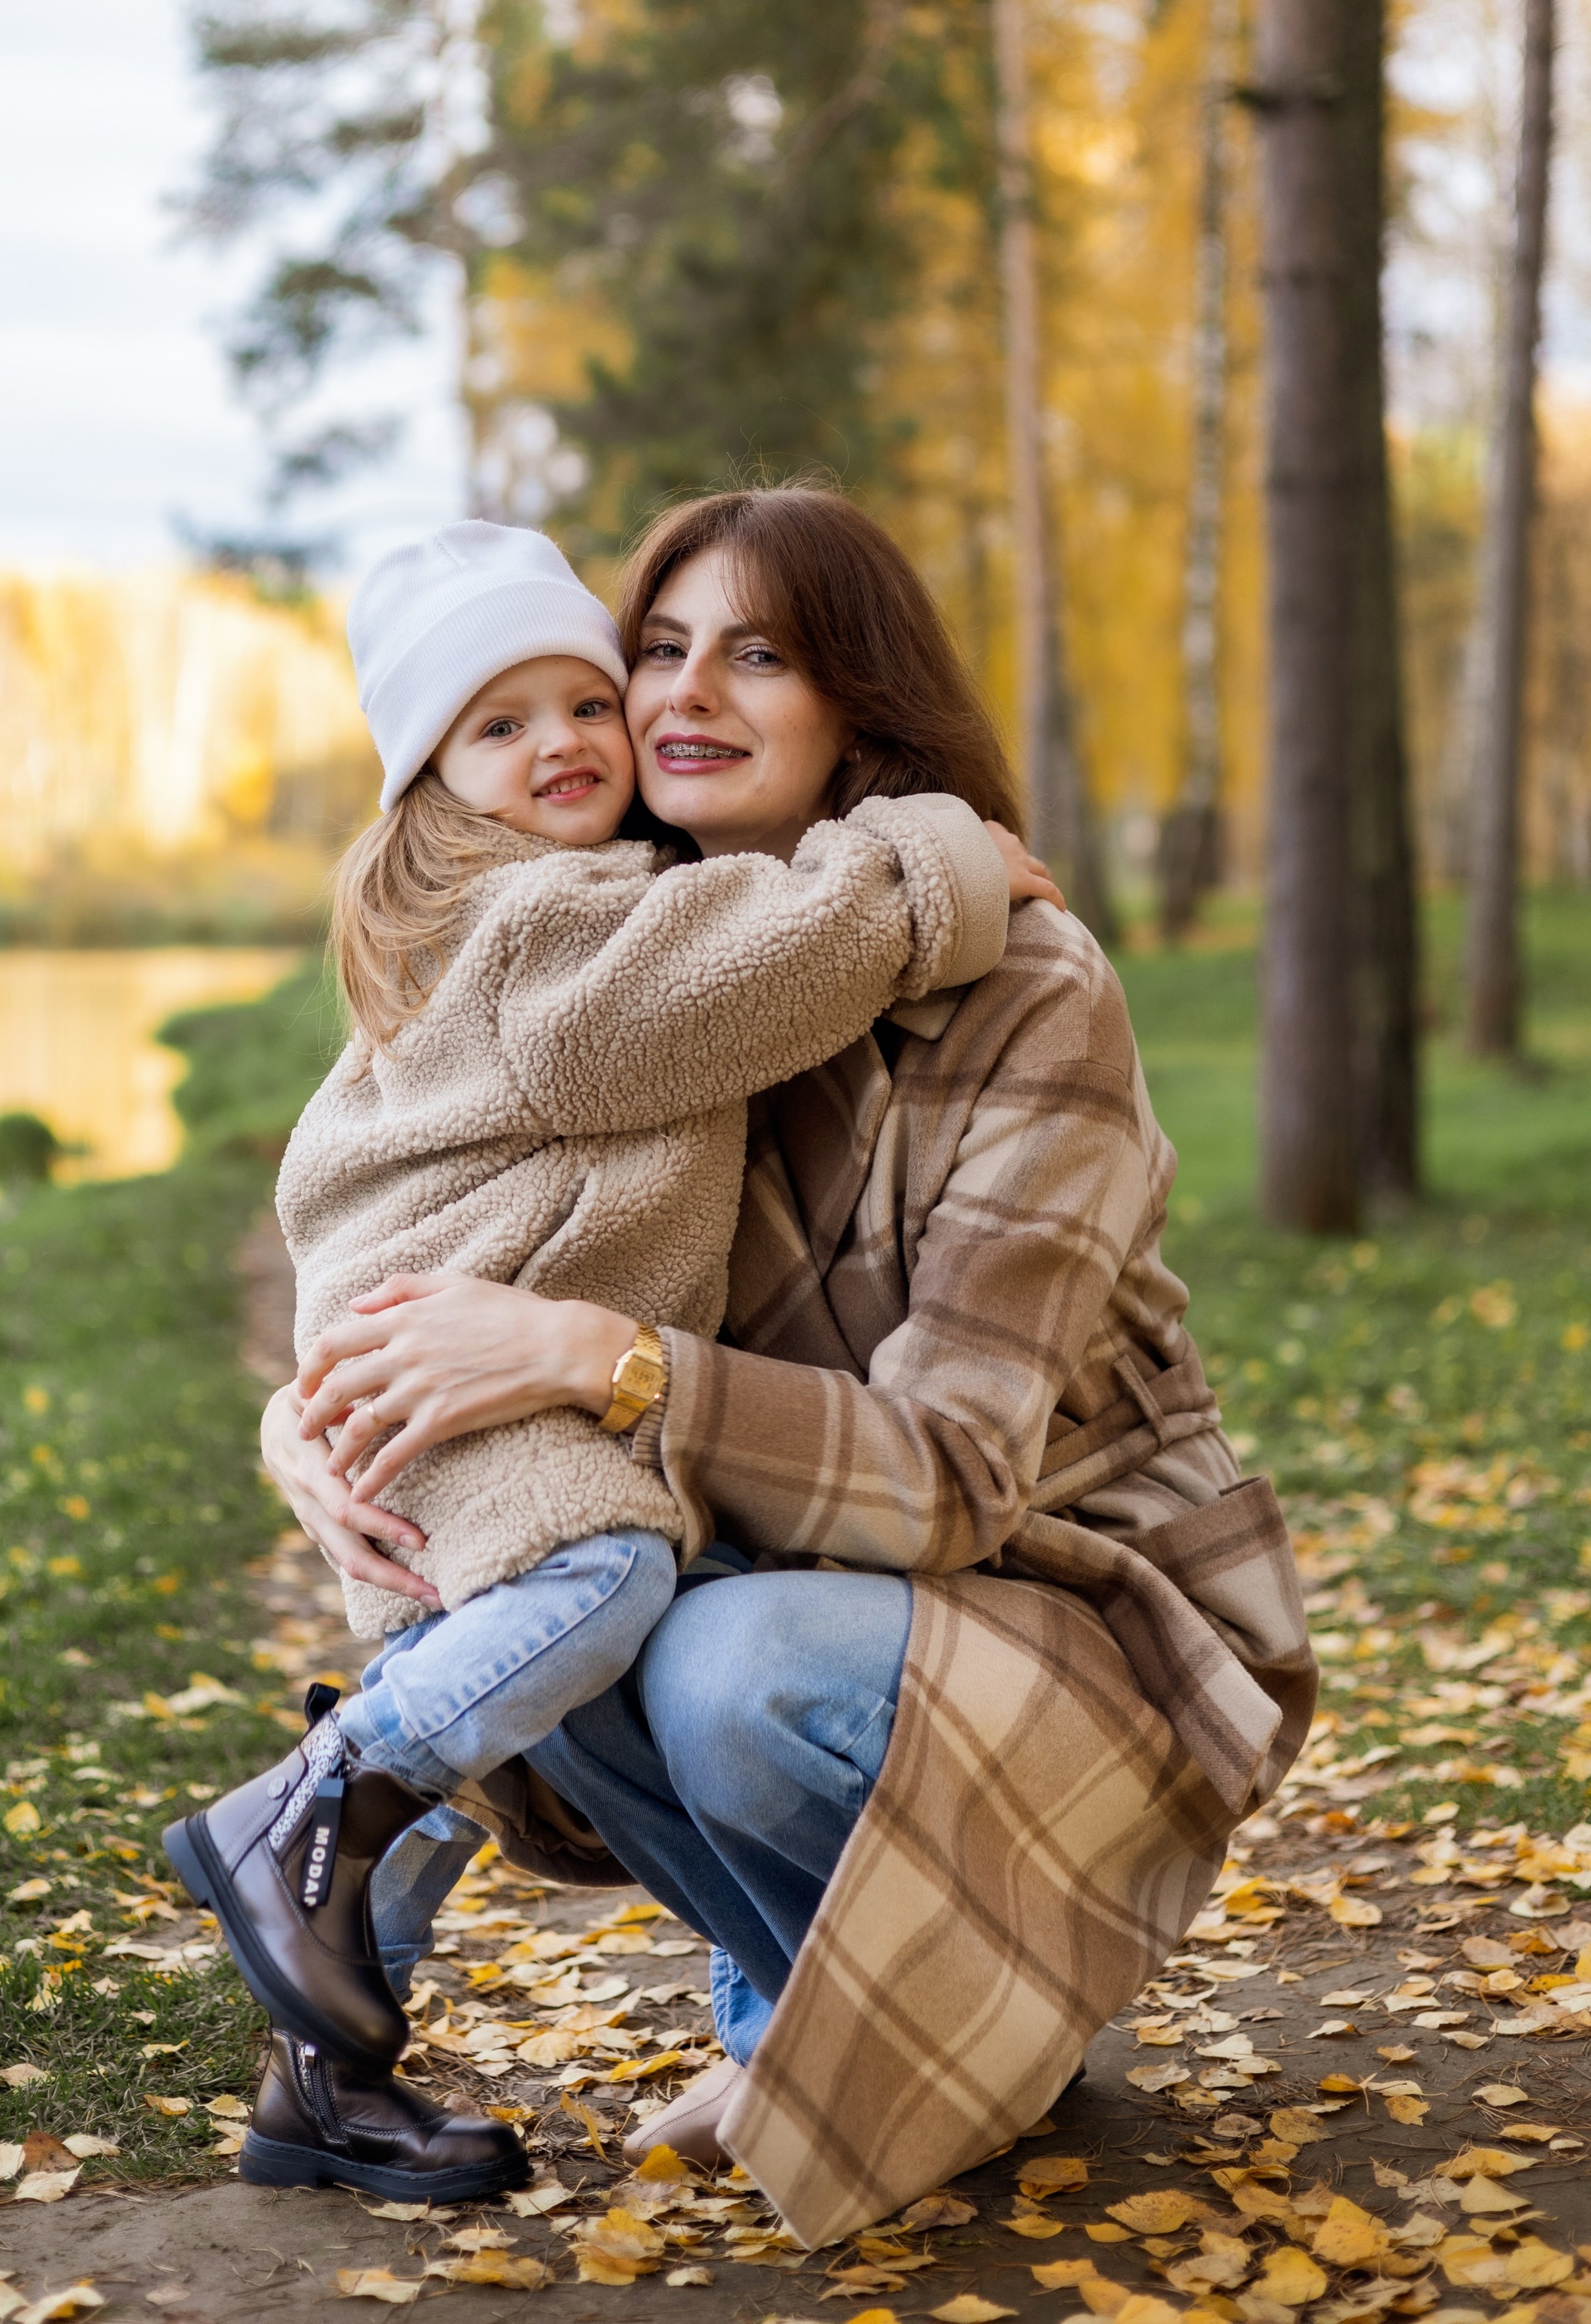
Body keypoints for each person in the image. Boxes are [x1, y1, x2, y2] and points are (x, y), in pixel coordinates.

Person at [267, 485, 1316, 2243]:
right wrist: (316, 1414)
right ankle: (847, 2026)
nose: (681, 694)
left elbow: (957, 1475)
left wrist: (603, 1358)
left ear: (860, 704)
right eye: (654, 650)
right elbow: (392, 1180)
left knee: (716, 1659)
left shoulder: (1023, 987)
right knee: (548, 1593)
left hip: (1065, 1596)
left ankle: (948, 2019)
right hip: (830, 1579)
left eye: (757, 655)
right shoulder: (646, 959)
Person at [165, 518, 1058, 2201]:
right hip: (482, 1384)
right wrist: (936, 865)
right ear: (431, 775)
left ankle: (326, 2074)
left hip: (493, 1374)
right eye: (498, 727)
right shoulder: (552, 932)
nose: (575, 740)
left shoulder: (560, 904)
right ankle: (314, 1803)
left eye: (583, 699)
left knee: (547, 1658)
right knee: (606, 1582)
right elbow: (761, 971)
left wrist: (321, 1393)